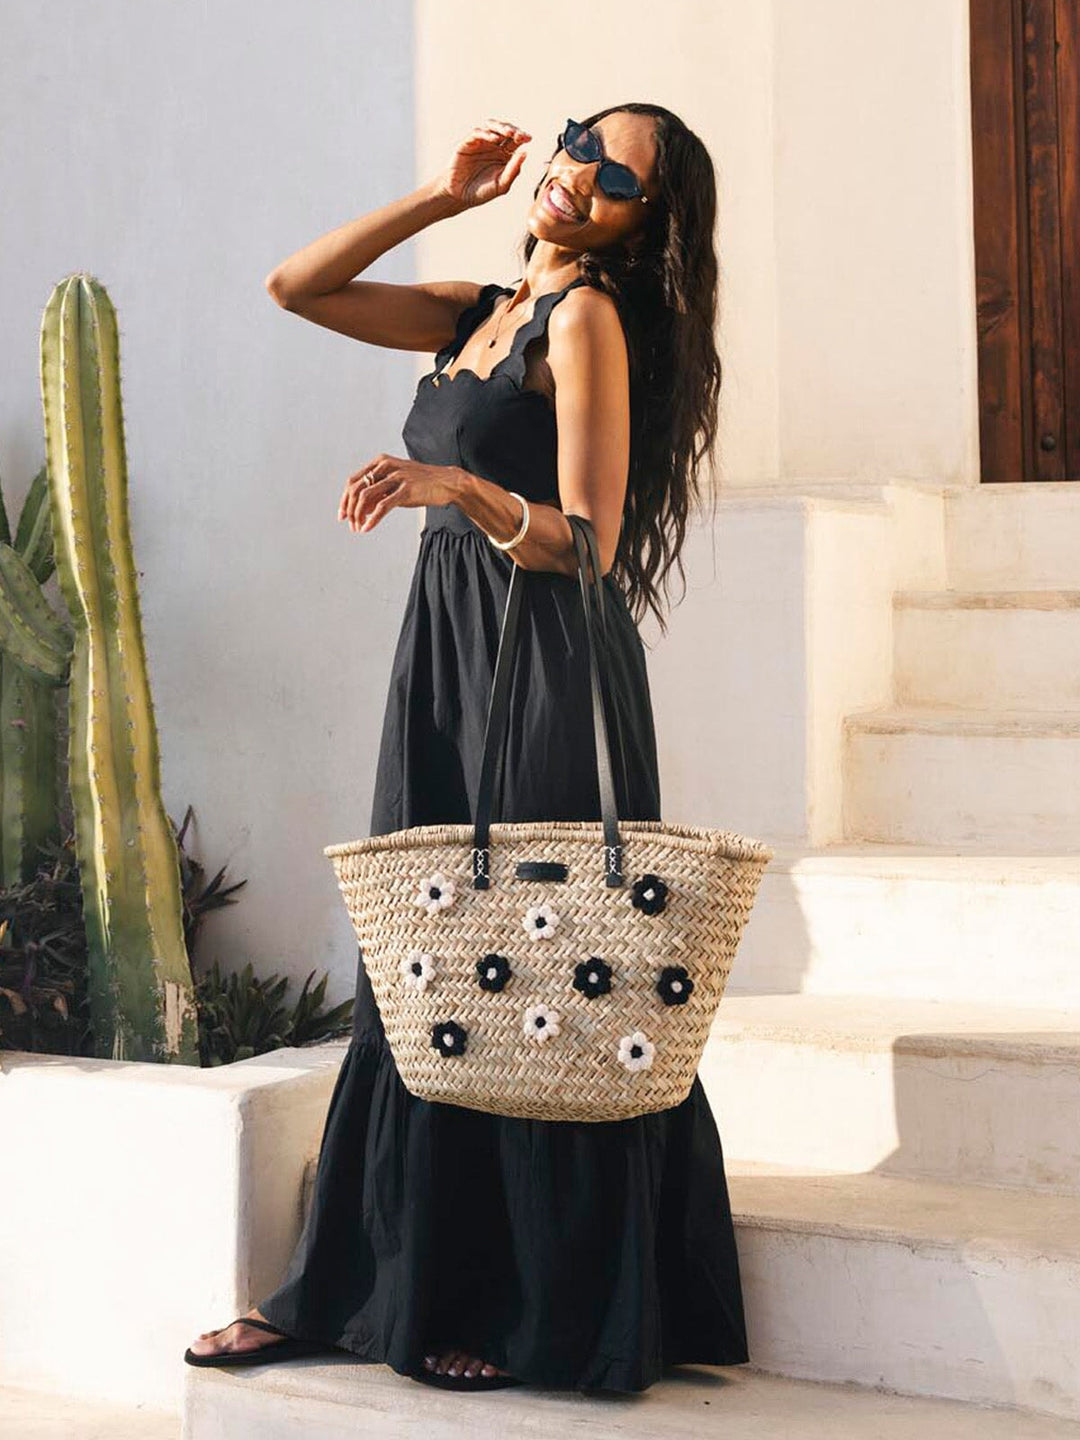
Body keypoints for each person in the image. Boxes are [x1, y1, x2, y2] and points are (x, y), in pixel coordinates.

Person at [185, 103, 748, 1394]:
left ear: (645, 219)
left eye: (618, 176)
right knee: (421, 955)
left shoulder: (588, 320)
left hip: (541, 659)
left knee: (532, 962)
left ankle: (518, 1301)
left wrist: (467, 491)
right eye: (576, 143)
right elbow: (295, 286)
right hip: (446, 646)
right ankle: (352, 1288)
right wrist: (442, 194)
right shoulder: (480, 308)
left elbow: (591, 544)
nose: (581, 176)